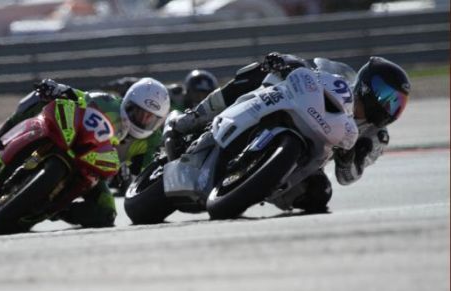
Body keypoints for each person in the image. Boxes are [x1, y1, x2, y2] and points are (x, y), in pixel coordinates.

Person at [166, 52, 411, 213]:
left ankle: (259, 183)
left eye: (397, 103)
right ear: (368, 85)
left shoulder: (375, 137)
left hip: (305, 161)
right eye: (387, 96)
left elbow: (348, 178)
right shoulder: (341, 81)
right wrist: (288, 62)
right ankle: (193, 118)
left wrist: (349, 157)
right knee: (259, 73)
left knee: (320, 194)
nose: (390, 106)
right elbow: (310, 69)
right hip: (291, 110)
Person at [0, 77, 170, 227]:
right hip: (71, 143)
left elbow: (142, 180)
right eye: (138, 112)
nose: (142, 120)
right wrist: (60, 89)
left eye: (149, 118)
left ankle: (55, 208)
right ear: (127, 103)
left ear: (158, 121)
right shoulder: (108, 102)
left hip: (94, 174)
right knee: (38, 98)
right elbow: (80, 98)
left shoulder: (152, 141)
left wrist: (126, 176)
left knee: (106, 215)